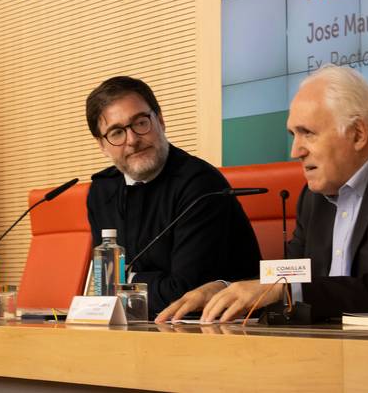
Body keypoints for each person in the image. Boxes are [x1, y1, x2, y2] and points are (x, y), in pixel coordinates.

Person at [157, 65, 368, 323]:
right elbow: (288, 277)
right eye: (293, 134)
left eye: (307, 134)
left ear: (357, 133)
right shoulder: (314, 197)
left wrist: (284, 290)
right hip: (337, 354)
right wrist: (227, 288)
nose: (295, 150)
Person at [85, 76, 261, 317]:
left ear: (160, 120)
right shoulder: (102, 190)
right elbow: (103, 287)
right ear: (102, 145)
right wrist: (145, 282)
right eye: (116, 133)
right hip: (133, 327)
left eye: (140, 122)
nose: (133, 140)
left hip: (208, 330)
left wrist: (126, 281)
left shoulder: (200, 184)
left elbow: (185, 293)